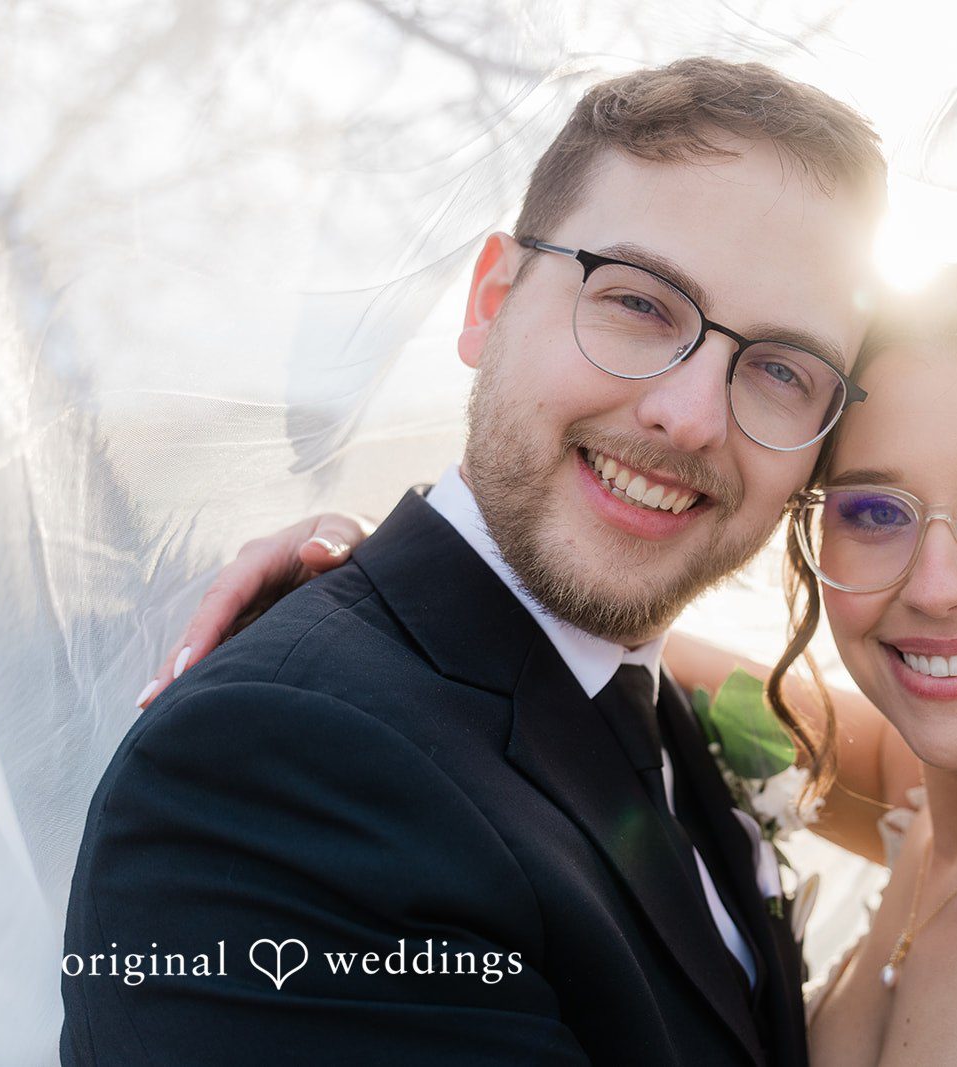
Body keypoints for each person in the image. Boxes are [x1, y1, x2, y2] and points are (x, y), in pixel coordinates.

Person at [161, 252, 957, 1064]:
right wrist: (376, 581)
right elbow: (592, 649)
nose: (935, 584)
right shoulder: (921, 795)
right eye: (872, 508)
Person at [61, 57, 889, 1067]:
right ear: (491, 298)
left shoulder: (642, 705)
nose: (691, 414)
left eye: (780, 369)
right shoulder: (276, 771)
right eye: (638, 303)